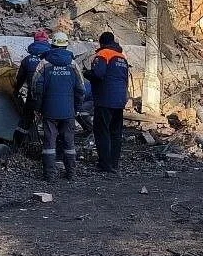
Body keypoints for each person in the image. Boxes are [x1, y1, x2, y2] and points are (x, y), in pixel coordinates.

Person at [30, 31, 85, 181]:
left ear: (52, 44)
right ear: (66, 45)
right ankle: (71, 174)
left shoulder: (44, 63)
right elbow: (81, 88)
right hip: (68, 110)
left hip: (49, 109)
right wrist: (77, 107)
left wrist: (38, 107)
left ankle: (50, 175)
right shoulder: (73, 64)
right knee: (69, 141)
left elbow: (36, 87)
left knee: (49, 142)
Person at [90, 32, 130, 174]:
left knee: (102, 131)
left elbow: (98, 74)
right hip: (119, 100)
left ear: (101, 42)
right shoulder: (122, 57)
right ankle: (114, 163)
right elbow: (125, 79)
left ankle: (104, 164)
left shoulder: (103, 54)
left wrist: (87, 74)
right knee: (115, 132)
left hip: (105, 99)